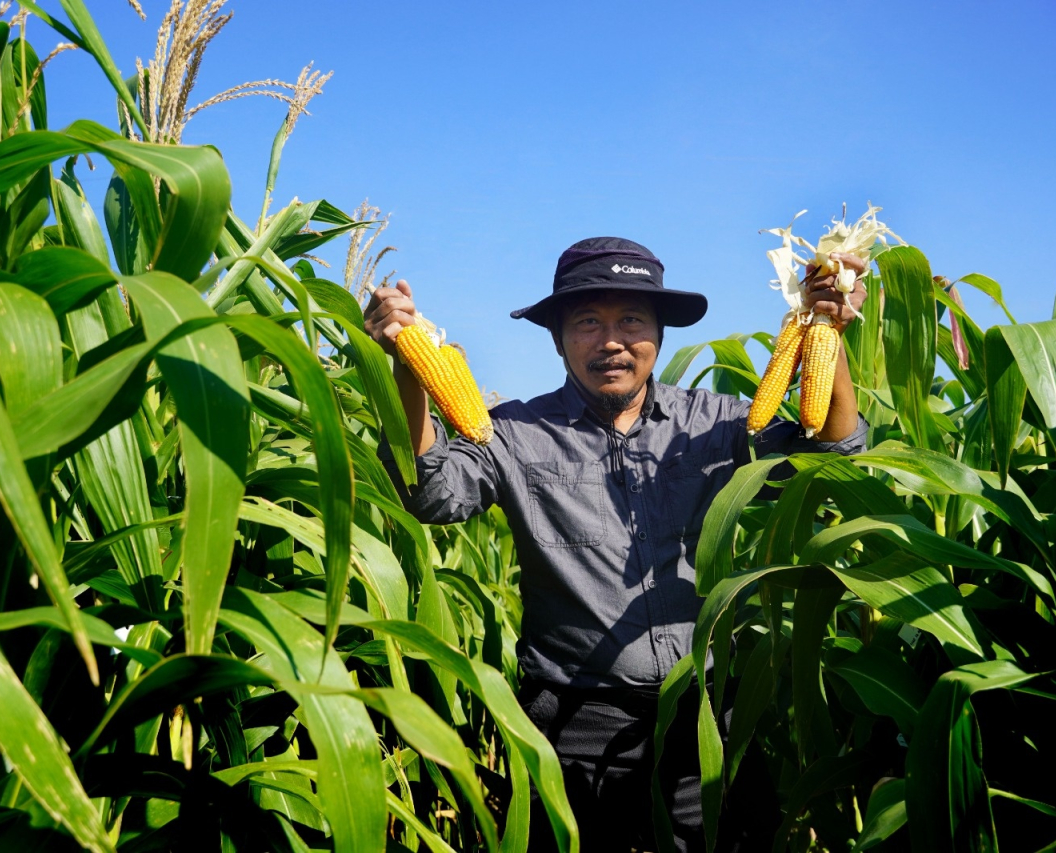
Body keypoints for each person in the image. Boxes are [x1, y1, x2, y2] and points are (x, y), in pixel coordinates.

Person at [364, 236, 869, 852]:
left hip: (702, 715)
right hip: (573, 722)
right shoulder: (514, 433)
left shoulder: (716, 424)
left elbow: (832, 454)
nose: (611, 341)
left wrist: (827, 329)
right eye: (587, 323)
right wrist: (408, 366)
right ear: (558, 340)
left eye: (631, 320)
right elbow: (432, 495)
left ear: (659, 335)